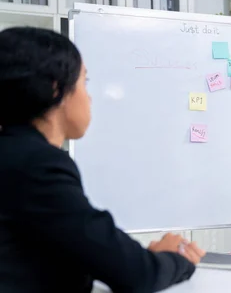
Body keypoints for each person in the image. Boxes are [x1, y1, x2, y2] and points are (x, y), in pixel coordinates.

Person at [0, 27, 205, 293]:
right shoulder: (38, 165)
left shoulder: (14, 154)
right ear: (56, 89)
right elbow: (137, 275)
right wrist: (177, 259)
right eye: (84, 82)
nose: (90, 97)